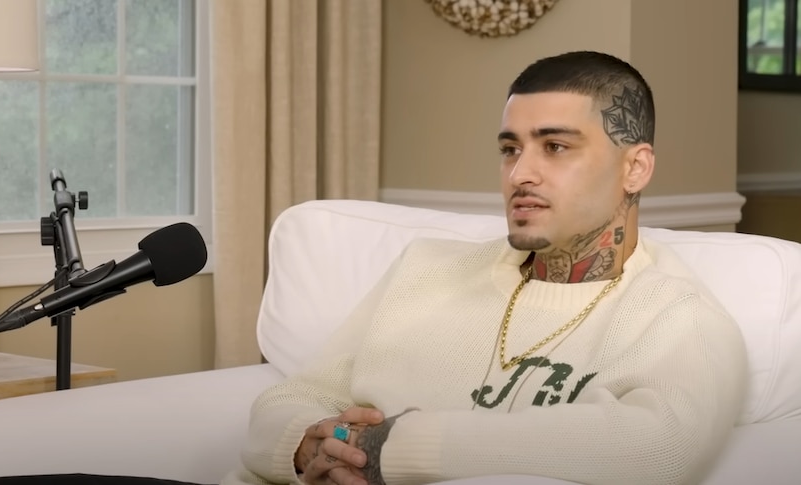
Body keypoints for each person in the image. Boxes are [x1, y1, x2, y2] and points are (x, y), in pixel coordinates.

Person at [226, 51, 748, 485]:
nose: (520, 174)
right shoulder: (423, 268)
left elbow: (656, 448)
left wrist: (388, 450)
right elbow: (294, 396)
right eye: (509, 149)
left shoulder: (679, 318)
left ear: (635, 167)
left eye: (555, 147)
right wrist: (304, 445)